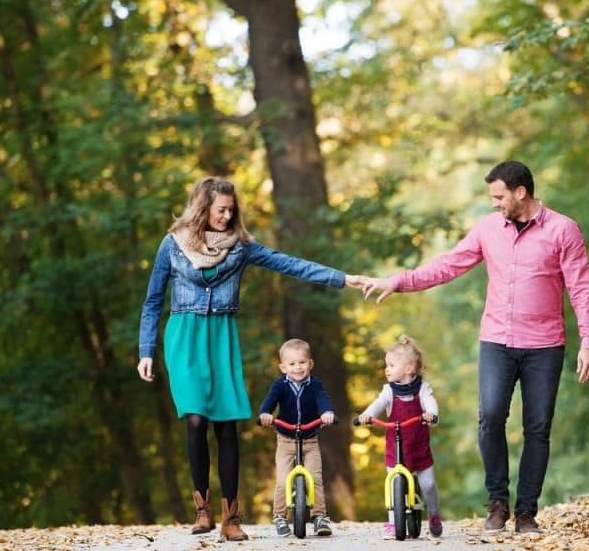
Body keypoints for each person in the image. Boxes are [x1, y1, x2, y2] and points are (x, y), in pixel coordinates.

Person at [361, 160, 589, 535]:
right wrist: (400, 281)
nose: (494, 203)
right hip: (497, 342)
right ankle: (497, 504)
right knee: (490, 418)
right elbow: (449, 265)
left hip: (545, 345)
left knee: (538, 428)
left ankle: (526, 514)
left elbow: (581, 287)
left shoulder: (563, 231)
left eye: (498, 196)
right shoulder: (489, 230)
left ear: (521, 192)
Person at [137, 176, 364, 541]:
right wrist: (146, 350)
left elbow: (290, 264)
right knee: (195, 420)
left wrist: (343, 279)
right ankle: (202, 509)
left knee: (226, 425)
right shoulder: (173, 245)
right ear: (203, 208)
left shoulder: (241, 248)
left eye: (231, 210)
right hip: (184, 338)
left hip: (221, 338)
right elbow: (152, 302)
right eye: (220, 210)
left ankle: (230, 517)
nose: (227, 216)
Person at [357, 335, 443, 539]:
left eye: (391, 365)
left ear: (409, 369)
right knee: (392, 482)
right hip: (395, 450)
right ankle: (391, 524)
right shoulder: (388, 391)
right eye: (386, 365)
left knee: (428, 485)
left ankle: (433, 514)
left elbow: (430, 402)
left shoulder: (422, 388)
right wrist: (368, 415)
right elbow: (378, 404)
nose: (386, 369)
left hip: (419, 448)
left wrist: (431, 414)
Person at [257, 338, 336, 537]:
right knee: (283, 480)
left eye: (302, 362)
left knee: (315, 478)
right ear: (283, 367)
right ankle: (280, 516)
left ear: (310, 364)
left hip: (310, 440)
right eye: (292, 364)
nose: (298, 367)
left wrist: (327, 413)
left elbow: (323, 400)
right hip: (286, 440)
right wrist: (265, 414)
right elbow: (269, 402)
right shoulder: (280, 386)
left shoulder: (315, 384)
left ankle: (319, 517)